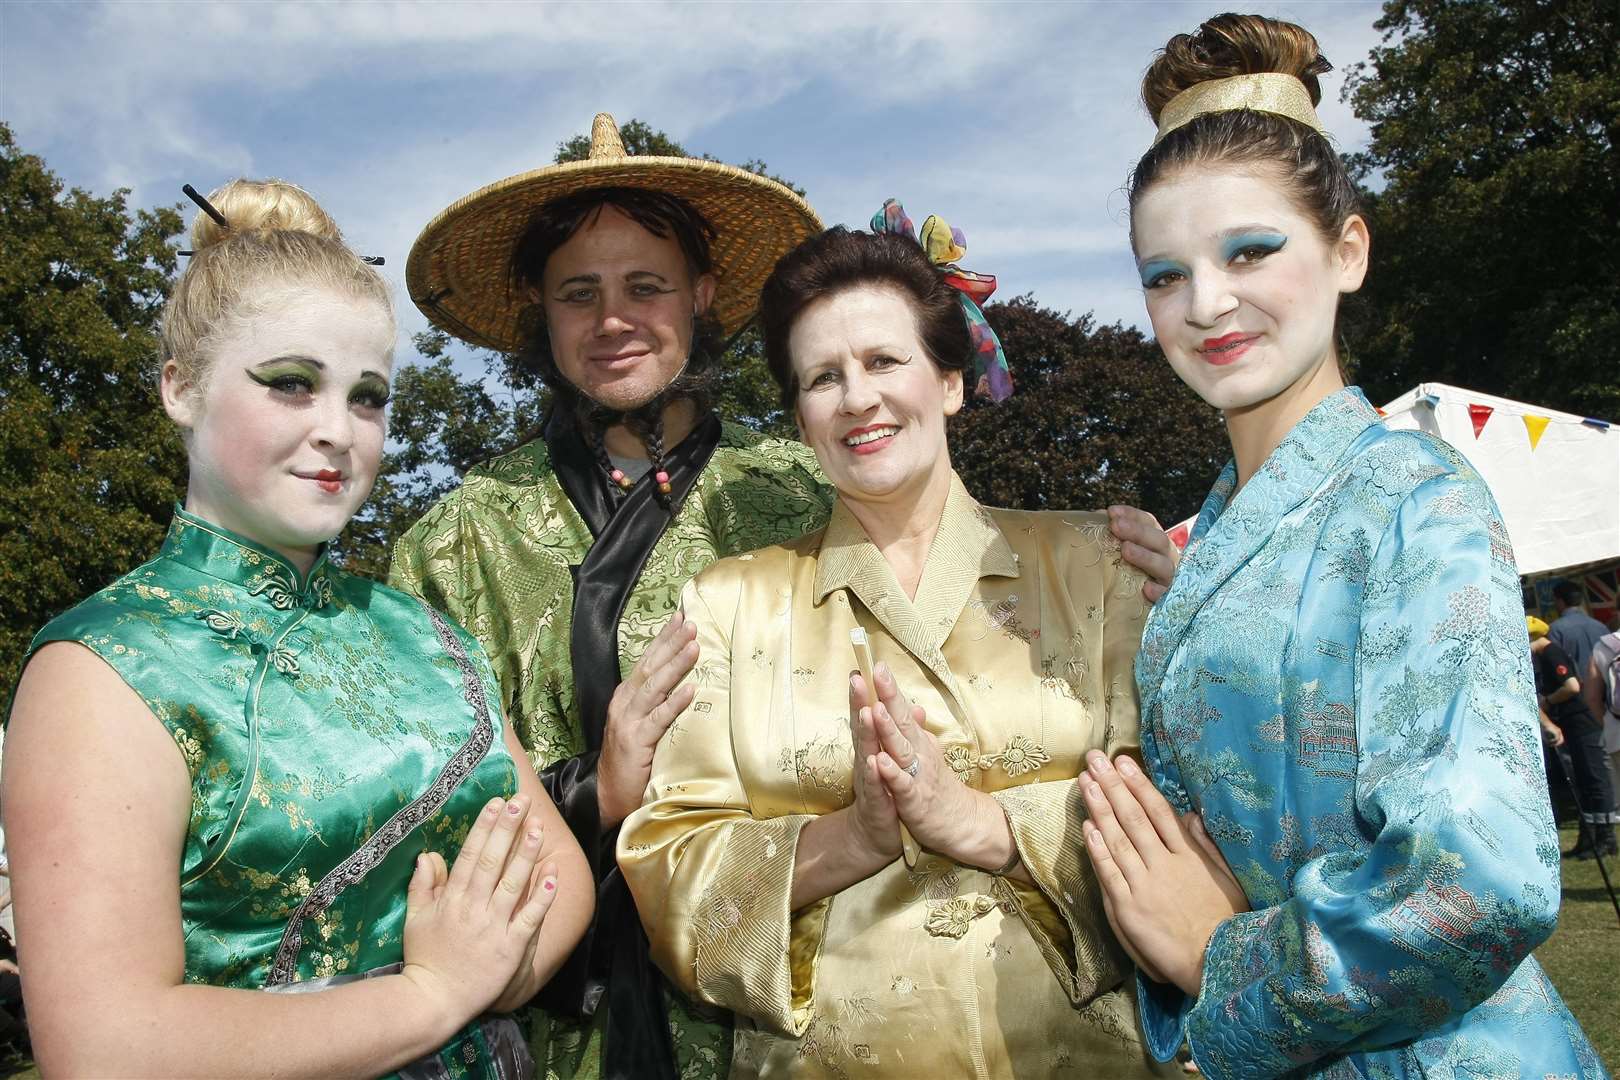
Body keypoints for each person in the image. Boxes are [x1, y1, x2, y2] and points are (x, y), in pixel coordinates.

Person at [391, 118, 1181, 1079]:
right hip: (573, 1009)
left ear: (702, 296)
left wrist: (1187, 610)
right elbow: (424, 816)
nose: (613, 320)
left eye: (646, 286)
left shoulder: (805, 489)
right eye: (578, 293)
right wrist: (594, 789)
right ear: (537, 311)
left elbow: (1181, 796)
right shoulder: (455, 540)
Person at [1075, 14, 1604, 1077]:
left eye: (1250, 251)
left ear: (1348, 250)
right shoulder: (1225, 532)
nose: (1205, 303)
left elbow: (1484, 877)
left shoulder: (1419, 495)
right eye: (1163, 274)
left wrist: (1220, 958)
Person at [2, 180, 592, 1077]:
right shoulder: (103, 666)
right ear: (181, 387)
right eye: (290, 383)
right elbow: (107, 1049)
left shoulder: (423, 633)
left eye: (367, 397)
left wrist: (488, 973)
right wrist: (431, 996)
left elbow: (566, 878)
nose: (337, 431)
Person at [619, 215, 1177, 1077]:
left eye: (884, 362)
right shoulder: (730, 602)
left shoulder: (1097, 561)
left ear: (950, 380)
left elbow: (1180, 808)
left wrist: (983, 825)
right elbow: (668, 871)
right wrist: (855, 838)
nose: (858, 398)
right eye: (822, 378)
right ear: (802, 421)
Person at [1531, 617, 1615, 858]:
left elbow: (1571, 686)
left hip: (1582, 723)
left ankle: (1605, 837)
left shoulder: (1550, 654)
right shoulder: (1544, 656)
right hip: (1571, 724)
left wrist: (1546, 701)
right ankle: (1588, 836)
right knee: (1584, 782)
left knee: (1595, 779)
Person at [1549, 579, 1611, 678]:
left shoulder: (1555, 629)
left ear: (1560, 601)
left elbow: (1556, 664)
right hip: (1606, 686)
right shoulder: (1600, 626)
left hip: (1579, 688)